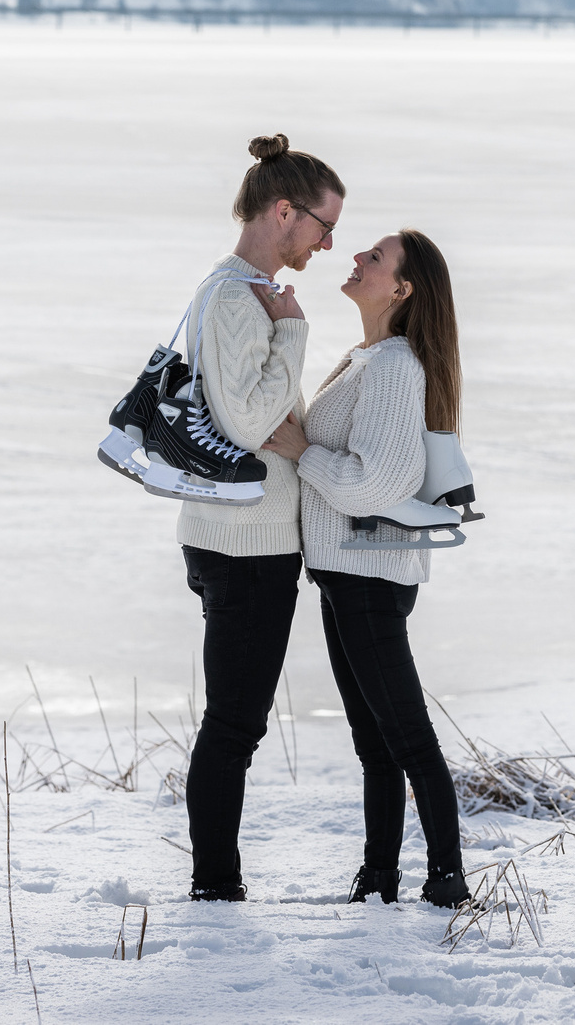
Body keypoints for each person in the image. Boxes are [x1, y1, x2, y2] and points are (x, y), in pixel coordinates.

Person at [263, 228, 471, 909]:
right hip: (347, 571)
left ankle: (446, 881)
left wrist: (299, 450)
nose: (356, 259)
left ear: (402, 290)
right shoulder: (369, 357)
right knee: (378, 742)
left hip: (369, 576)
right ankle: (379, 876)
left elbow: (374, 483)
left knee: (405, 736)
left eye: (374, 259)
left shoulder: (391, 368)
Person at [178, 134, 345, 902]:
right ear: (284, 211)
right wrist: (296, 331)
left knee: (233, 722)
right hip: (245, 546)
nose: (329, 241)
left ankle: (218, 882)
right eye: (322, 224)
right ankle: (216, 888)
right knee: (235, 726)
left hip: (237, 536)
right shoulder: (240, 297)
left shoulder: (240, 291)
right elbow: (248, 423)